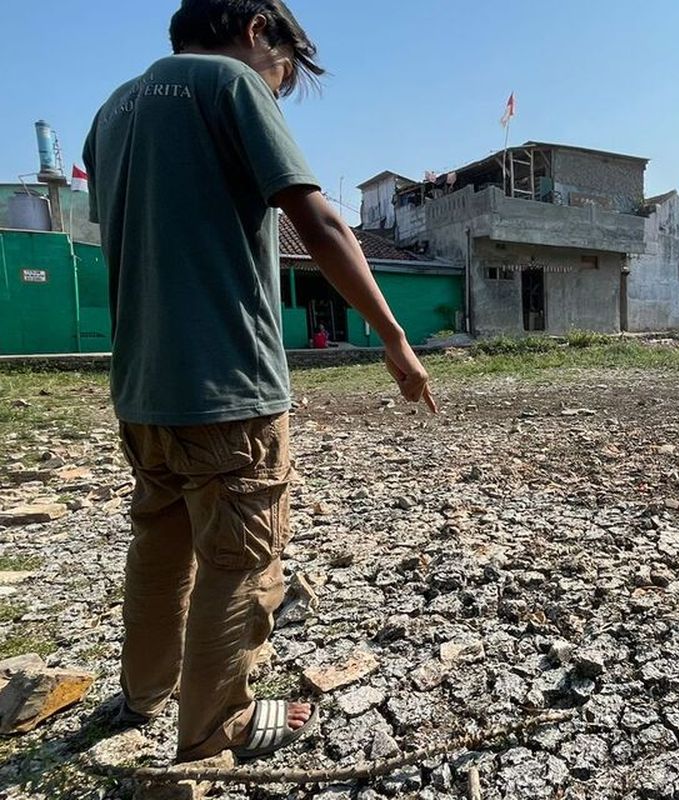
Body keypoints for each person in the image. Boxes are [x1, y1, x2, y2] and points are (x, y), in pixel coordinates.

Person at [83, 0, 436, 764]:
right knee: (241, 561)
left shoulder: (111, 112)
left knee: (160, 542)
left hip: (142, 391)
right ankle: (216, 728)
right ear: (255, 33)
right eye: (282, 77)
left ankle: (143, 693)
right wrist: (394, 336)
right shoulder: (229, 86)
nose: (275, 93)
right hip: (228, 388)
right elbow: (322, 226)